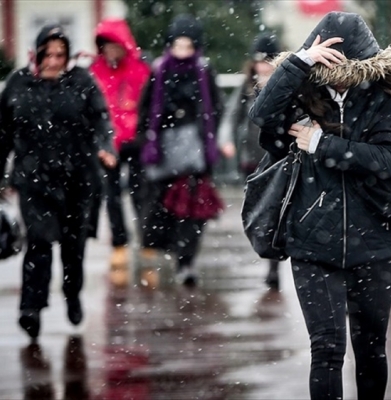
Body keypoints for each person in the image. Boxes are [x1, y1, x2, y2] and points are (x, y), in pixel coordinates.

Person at [249, 11, 391, 399]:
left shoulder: (383, 97)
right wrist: (299, 62)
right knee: (327, 350)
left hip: (375, 238)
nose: (341, 77)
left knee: (370, 349)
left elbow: (387, 160)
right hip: (312, 240)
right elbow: (260, 114)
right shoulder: (302, 93)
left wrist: (323, 145)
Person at [0, 24, 117, 339]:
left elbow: (101, 119)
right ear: (36, 54)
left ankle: (72, 293)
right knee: (38, 242)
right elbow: (3, 134)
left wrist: (105, 147)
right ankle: (31, 308)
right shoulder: (18, 84)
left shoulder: (81, 82)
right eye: (47, 54)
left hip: (77, 180)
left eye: (60, 55)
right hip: (32, 179)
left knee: (72, 247)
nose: (53, 61)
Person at [137, 15, 224, 288]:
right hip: (162, 152)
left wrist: (207, 140)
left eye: (188, 46)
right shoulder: (159, 70)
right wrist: (148, 140)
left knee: (193, 210)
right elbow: (145, 108)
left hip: (195, 154)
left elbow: (215, 109)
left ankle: (186, 261)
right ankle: (170, 251)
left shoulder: (203, 71)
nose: (183, 51)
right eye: (178, 45)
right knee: (161, 209)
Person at [89, 18, 151, 287]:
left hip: (134, 142)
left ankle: (146, 241)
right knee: (111, 196)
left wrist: (141, 134)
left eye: (115, 46)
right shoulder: (95, 71)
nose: (111, 52)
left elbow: (148, 106)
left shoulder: (140, 69)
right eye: (106, 46)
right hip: (109, 145)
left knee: (141, 195)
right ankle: (119, 243)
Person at [220, 32, 283, 290]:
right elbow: (231, 116)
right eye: (259, 61)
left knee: (277, 211)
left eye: (268, 60)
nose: (263, 66)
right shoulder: (247, 88)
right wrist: (226, 141)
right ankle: (266, 251)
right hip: (253, 160)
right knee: (259, 211)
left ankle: (274, 264)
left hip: (279, 157)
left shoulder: (285, 84)